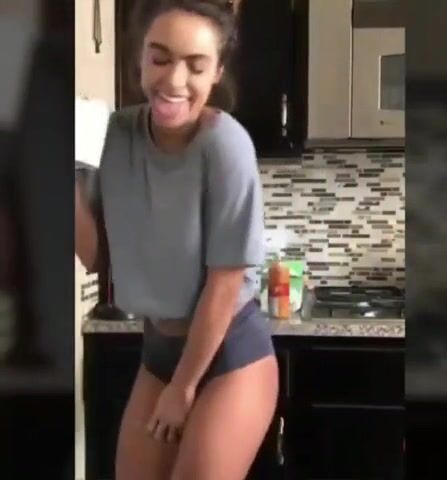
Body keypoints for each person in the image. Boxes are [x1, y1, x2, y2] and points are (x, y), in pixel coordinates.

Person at [75, 0, 279, 479]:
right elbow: (101, 260)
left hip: (230, 355)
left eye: (196, 65)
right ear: (140, 59)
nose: (174, 80)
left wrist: (183, 388)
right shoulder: (113, 135)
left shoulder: (224, 144)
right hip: (158, 352)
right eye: (160, 58)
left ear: (217, 72)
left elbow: (225, 282)